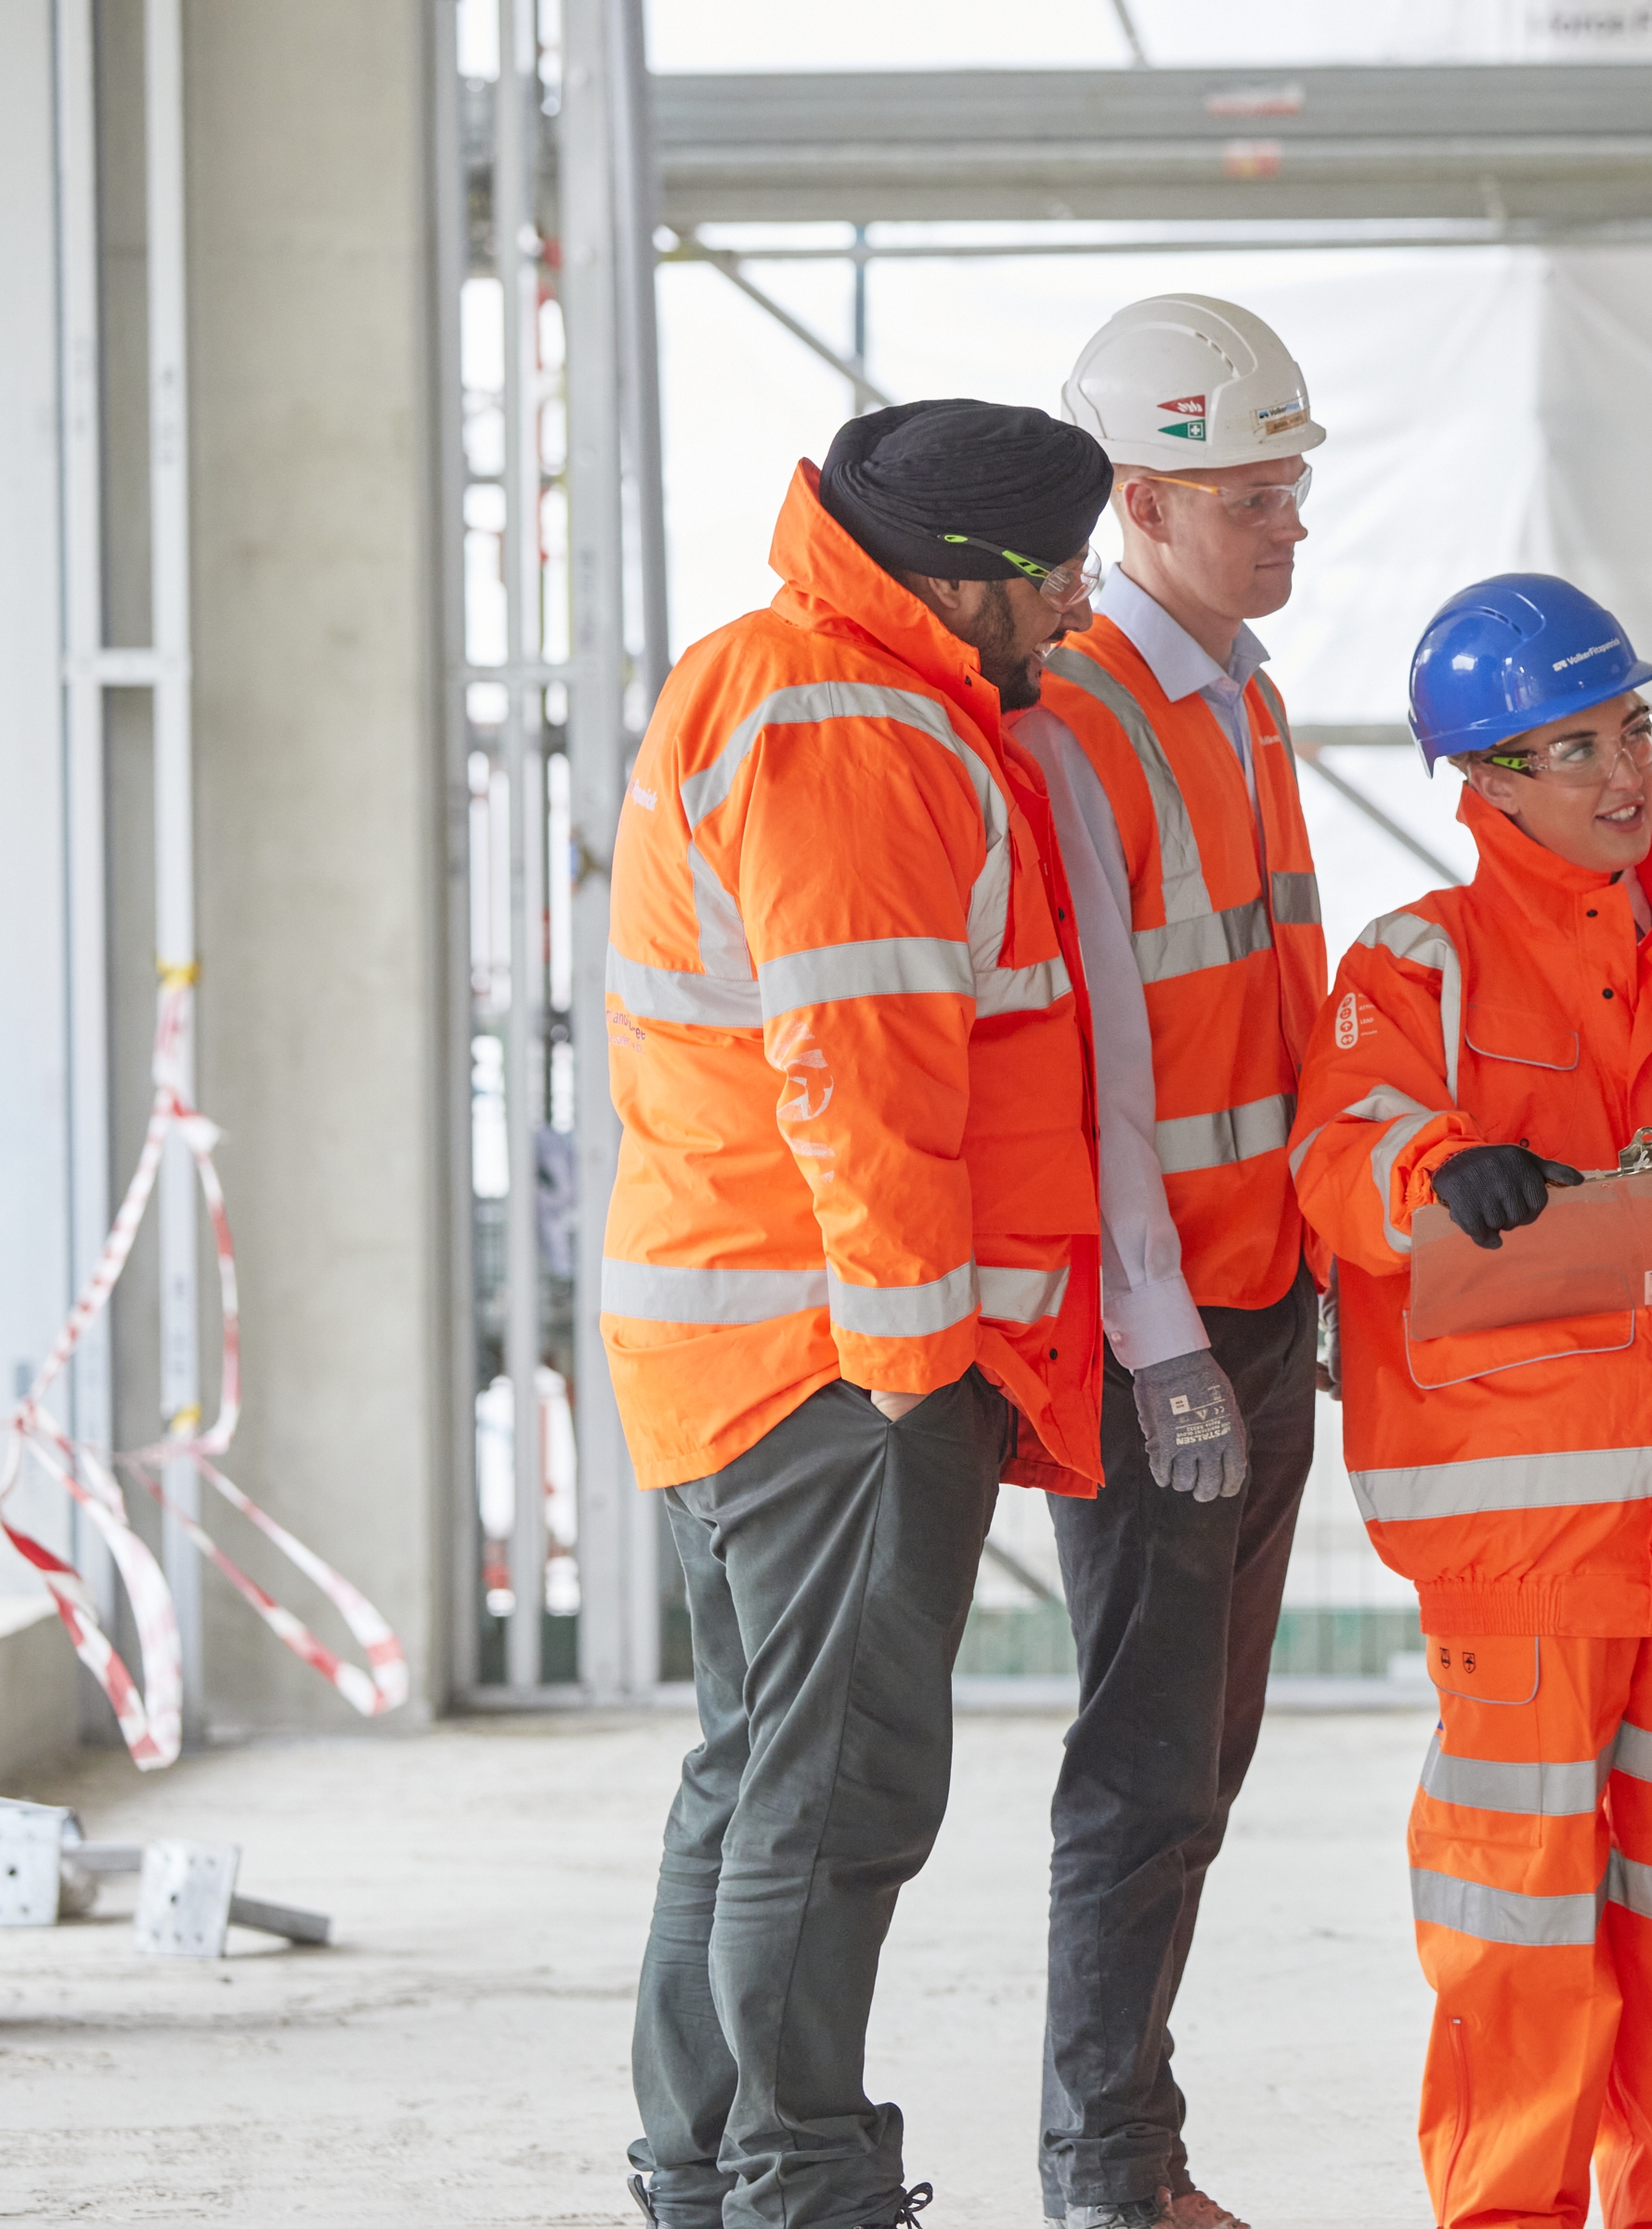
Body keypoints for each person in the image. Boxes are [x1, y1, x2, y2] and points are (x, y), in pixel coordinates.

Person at [1287, 574, 1652, 2229]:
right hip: (1531, 1550)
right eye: (1573, 749)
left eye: (1633, 730)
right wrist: (1432, 1163)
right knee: (1520, 1924)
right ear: (1483, 781)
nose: (1624, 773)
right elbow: (1334, 1157)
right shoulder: (1419, 966)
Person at [603, 399, 1116, 2229]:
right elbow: (860, 1078)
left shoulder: (787, 678)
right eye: (1060, 573)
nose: (1081, 605)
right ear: (962, 581)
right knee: (835, 1797)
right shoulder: (855, 731)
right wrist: (910, 1376)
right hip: (835, 1363)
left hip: (747, 1336)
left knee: (757, 1773)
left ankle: (709, 2171)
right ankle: (798, 2181)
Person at [1019, 294, 1332, 2229]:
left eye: (1292, 488)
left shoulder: (1245, 695)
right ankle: (1108, 2172)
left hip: (1266, 1289)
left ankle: (1131, 2150)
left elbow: (1273, 1010)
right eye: (1249, 499)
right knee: (1144, 1760)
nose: (1289, 525)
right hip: (1171, 1329)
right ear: (1137, 499)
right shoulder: (1085, 715)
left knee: (1201, 1749)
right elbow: (1104, 1074)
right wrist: (1161, 1343)